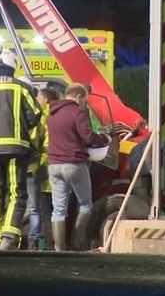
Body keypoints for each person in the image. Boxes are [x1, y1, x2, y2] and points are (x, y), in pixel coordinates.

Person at [0, 47, 41, 250]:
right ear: (13, 66)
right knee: (16, 194)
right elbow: (35, 115)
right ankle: (9, 237)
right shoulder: (21, 88)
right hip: (16, 148)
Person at [46, 83, 111, 251]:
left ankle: (59, 248)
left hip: (54, 165)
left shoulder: (51, 113)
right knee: (85, 204)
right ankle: (76, 242)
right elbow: (89, 138)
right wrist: (104, 139)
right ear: (77, 97)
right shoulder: (77, 112)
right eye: (84, 100)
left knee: (58, 209)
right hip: (74, 164)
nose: (84, 104)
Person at [29, 87, 61, 250]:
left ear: (46, 100)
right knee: (59, 209)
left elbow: (37, 139)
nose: (37, 100)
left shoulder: (42, 115)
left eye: (39, 98)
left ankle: (46, 244)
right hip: (61, 165)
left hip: (43, 166)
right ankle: (58, 243)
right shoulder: (62, 113)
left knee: (44, 209)